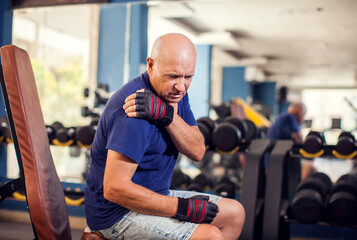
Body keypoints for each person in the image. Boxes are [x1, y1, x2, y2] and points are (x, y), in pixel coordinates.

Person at [85, 33, 245, 240]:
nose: (181, 86)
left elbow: (197, 150)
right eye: (173, 76)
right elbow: (114, 189)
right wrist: (181, 207)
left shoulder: (175, 95)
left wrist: (166, 115)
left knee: (235, 213)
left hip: (155, 195)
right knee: (209, 236)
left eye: (188, 77)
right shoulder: (134, 111)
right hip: (116, 213)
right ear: (151, 65)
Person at [267, 102, 316, 180]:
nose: (303, 118)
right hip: (278, 163)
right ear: (299, 112)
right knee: (310, 168)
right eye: (303, 115)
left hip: (275, 160)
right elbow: (299, 140)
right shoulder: (289, 118)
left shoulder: (283, 117)